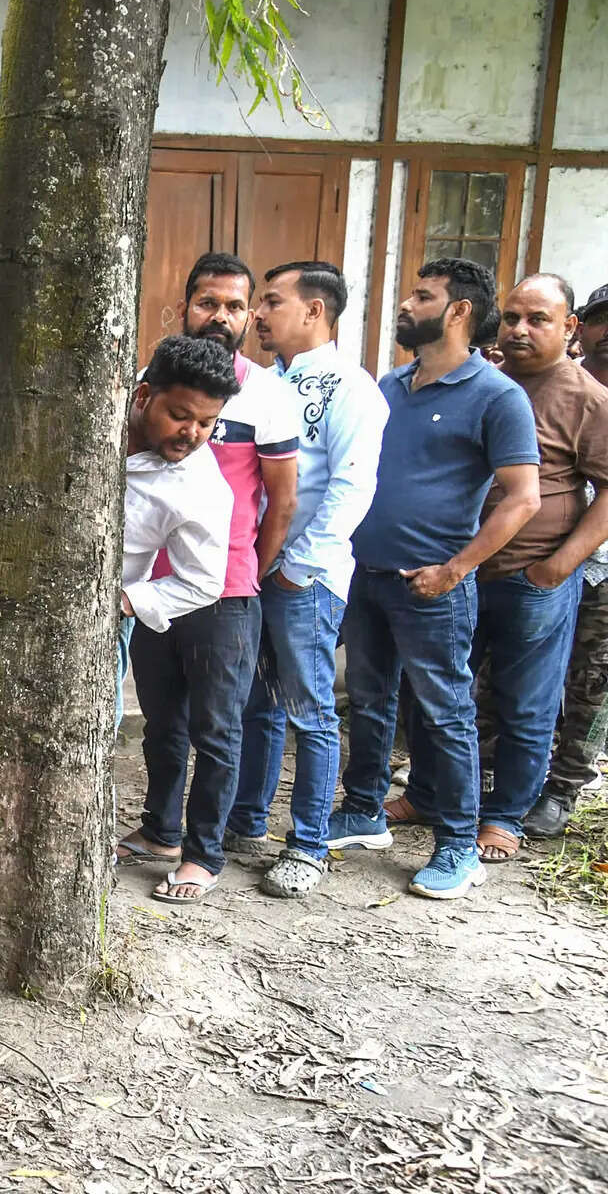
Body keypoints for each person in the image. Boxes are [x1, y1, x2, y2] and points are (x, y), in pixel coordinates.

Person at [327, 258, 541, 899]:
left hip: (433, 586)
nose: (405, 304)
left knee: (446, 712)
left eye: (422, 296)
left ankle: (456, 843)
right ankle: (364, 807)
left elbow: (523, 497)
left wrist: (456, 569)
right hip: (366, 576)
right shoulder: (392, 385)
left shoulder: (497, 396)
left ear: (458, 313)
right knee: (367, 701)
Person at [115, 253, 299, 903]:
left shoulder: (265, 400)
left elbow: (282, 501)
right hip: (149, 588)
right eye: (206, 302)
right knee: (161, 718)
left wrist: (252, 569)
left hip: (222, 588)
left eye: (233, 305)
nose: (219, 316)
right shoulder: (143, 384)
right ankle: (161, 830)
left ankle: (203, 853)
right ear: (184, 305)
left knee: (217, 727)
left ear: (250, 314)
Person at [228, 262, 388, 897]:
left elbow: (352, 486)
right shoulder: (264, 382)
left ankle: (309, 842)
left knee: (311, 708)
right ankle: (246, 821)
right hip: (254, 565)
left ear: (315, 311)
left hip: (305, 576)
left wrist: (300, 564)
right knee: (255, 701)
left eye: (272, 302)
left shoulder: (352, 388)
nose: (259, 314)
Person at [450, 276, 608, 860]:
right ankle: (434, 793)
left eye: (537, 319)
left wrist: (559, 565)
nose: (518, 329)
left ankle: (505, 815)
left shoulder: (587, 398)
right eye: (512, 316)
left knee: (526, 702)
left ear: (570, 328)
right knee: (445, 692)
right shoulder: (482, 381)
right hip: (460, 571)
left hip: (531, 577)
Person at [119, 337, 238, 740]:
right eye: (179, 415)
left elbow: (204, 581)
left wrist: (128, 600)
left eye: (207, 423)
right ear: (144, 395)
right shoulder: (99, 396)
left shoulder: (201, 488)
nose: (191, 433)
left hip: (101, 623)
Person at [528, 280, 608, 836]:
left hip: (600, 571)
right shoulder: (558, 384)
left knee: (590, 684)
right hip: (539, 560)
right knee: (512, 677)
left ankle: (562, 788)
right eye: (603, 320)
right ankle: (499, 776)